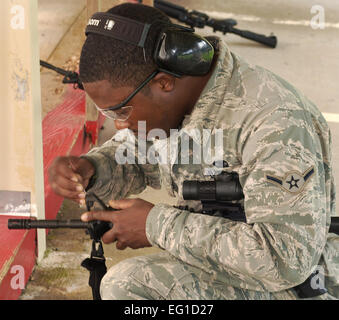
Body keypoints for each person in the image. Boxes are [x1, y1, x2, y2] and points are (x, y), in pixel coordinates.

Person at [48, 3, 339, 300]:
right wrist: (93, 168)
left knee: (128, 286)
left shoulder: (275, 122)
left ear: (164, 83)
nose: (120, 125)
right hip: (234, 267)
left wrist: (156, 225)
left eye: (121, 111)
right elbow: (139, 156)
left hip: (295, 284)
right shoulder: (179, 101)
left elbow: (286, 259)